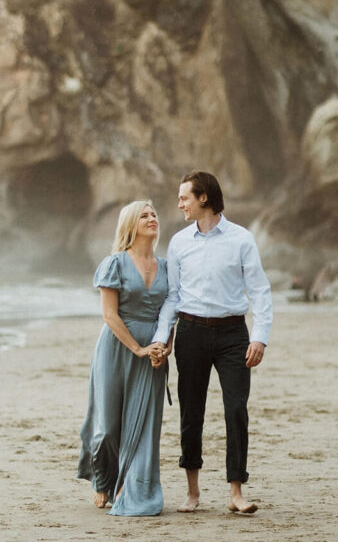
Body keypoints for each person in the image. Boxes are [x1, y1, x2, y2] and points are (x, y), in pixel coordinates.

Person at [152, 171, 272, 515]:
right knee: (192, 412)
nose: (179, 204)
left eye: (184, 197)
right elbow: (173, 297)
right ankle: (193, 492)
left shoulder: (241, 239)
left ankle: (236, 492)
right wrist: (163, 340)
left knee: (236, 410)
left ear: (204, 198)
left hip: (234, 334)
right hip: (190, 332)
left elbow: (260, 291)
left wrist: (260, 337)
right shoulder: (178, 242)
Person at [77, 200, 173, 516]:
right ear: (130, 224)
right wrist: (136, 347)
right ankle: (102, 479)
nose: (152, 218)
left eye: (154, 214)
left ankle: (127, 484)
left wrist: (165, 346)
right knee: (107, 424)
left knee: (143, 424)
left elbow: (170, 313)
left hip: (152, 352)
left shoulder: (168, 267)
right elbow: (109, 314)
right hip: (117, 347)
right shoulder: (114, 263)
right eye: (144, 215)